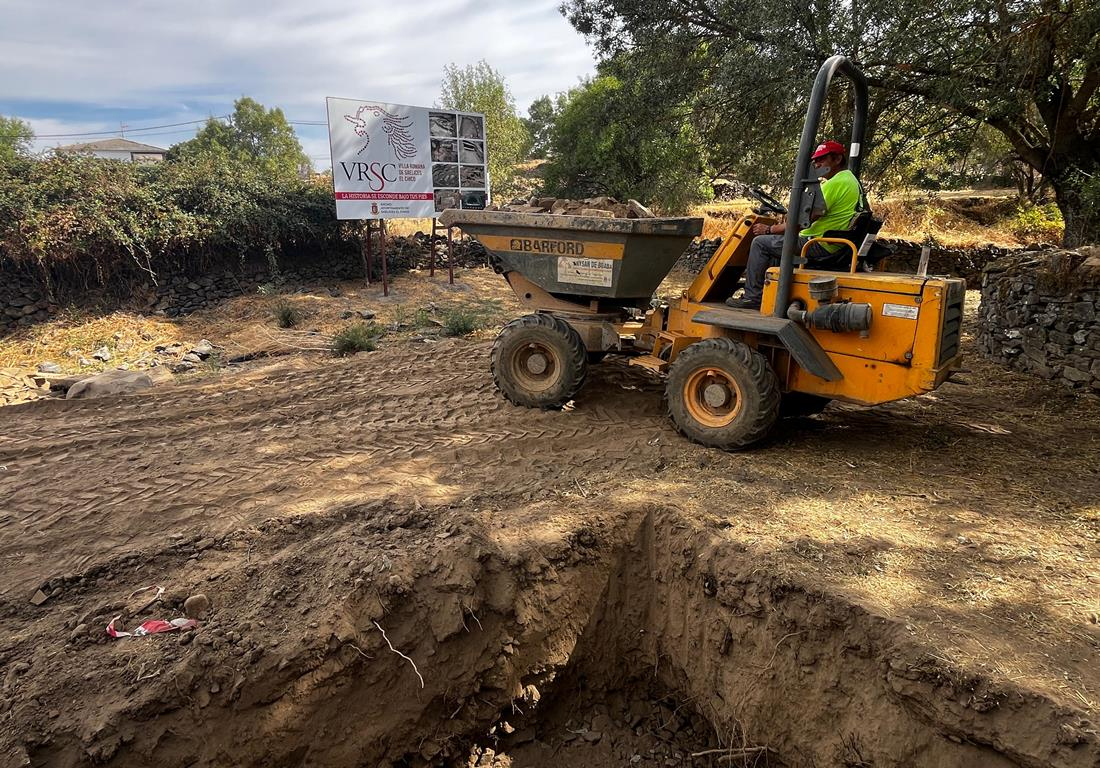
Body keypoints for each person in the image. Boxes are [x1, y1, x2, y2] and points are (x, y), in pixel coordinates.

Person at [726, 140, 863, 310]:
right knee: (776, 244)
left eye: (821, 159)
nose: (816, 164)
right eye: (815, 160)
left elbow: (803, 220)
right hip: (832, 244)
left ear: (836, 159)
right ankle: (772, 294)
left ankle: (752, 297)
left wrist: (769, 229)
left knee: (760, 243)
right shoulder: (850, 179)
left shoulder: (835, 183)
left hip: (818, 244)